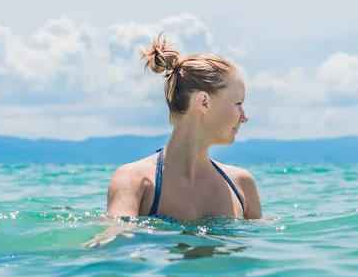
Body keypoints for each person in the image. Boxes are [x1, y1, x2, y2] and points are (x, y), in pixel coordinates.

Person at [105, 34, 262, 222]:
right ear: (204, 102)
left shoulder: (242, 185)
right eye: (238, 103)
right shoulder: (134, 180)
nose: (244, 117)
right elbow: (115, 240)